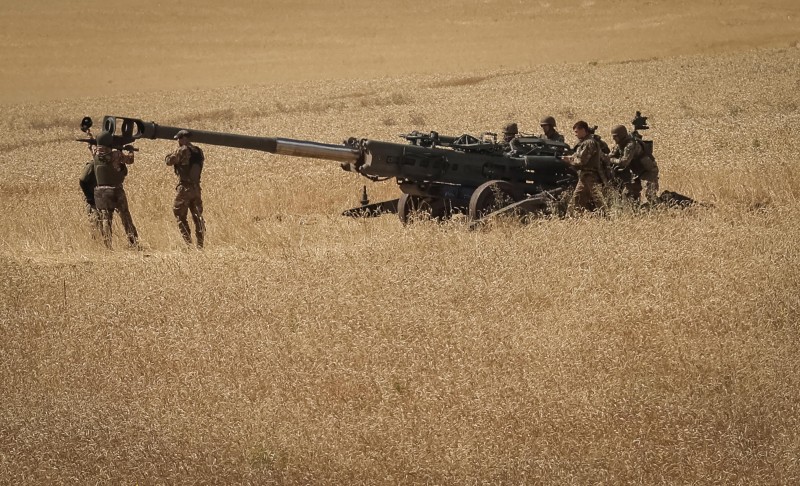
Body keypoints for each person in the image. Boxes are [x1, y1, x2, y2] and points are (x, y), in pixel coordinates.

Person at [92, 131, 139, 248]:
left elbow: (95, 147)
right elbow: (130, 160)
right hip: (115, 191)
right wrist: (130, 151)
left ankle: (107, 246)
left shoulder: (95, 154)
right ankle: (133, 243)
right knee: (125, 216)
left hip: (101, 193)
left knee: (106, 219)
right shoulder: (116, 155)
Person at [165, 129, 206, 248]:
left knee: (179, 214)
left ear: (183, 139)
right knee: (198, 216)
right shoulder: (199, 151)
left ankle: (188, 243)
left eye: (179, 139)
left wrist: (169, 155)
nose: (178, 141)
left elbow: (169, 161)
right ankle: (200, 244)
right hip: (196, 188)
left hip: (185, 188)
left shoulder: (182, 150)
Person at [561, 120, 606, 213]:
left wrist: (569, 160)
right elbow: (578, 156)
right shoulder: (584, 142)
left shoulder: (588, 143)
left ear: (583, 130)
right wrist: (570, 157)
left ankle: (607, 216)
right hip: (585, 176)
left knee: (597, 199)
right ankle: (573, 216)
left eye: (576, 132)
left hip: (590, 176)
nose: (575, 134)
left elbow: (582, 161)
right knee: (578, 198)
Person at [608, 124, 660, 203]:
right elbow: (611, 155)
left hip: (648, 171)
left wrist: (611, 160)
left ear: (621, 135)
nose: (613, 138)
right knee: (628, 194)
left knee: (650, 195)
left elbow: (624, 162)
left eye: (615, 136)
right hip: (636, 172)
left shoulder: (631, 145)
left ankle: (666, 203)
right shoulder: (620, 144)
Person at [79, 158, 101, 237]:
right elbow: (82, 181)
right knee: (95, 222)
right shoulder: (92, 164)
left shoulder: (105, 164)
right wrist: (89, 197)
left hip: (101, 197)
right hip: (92, 199)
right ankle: (96, 242)